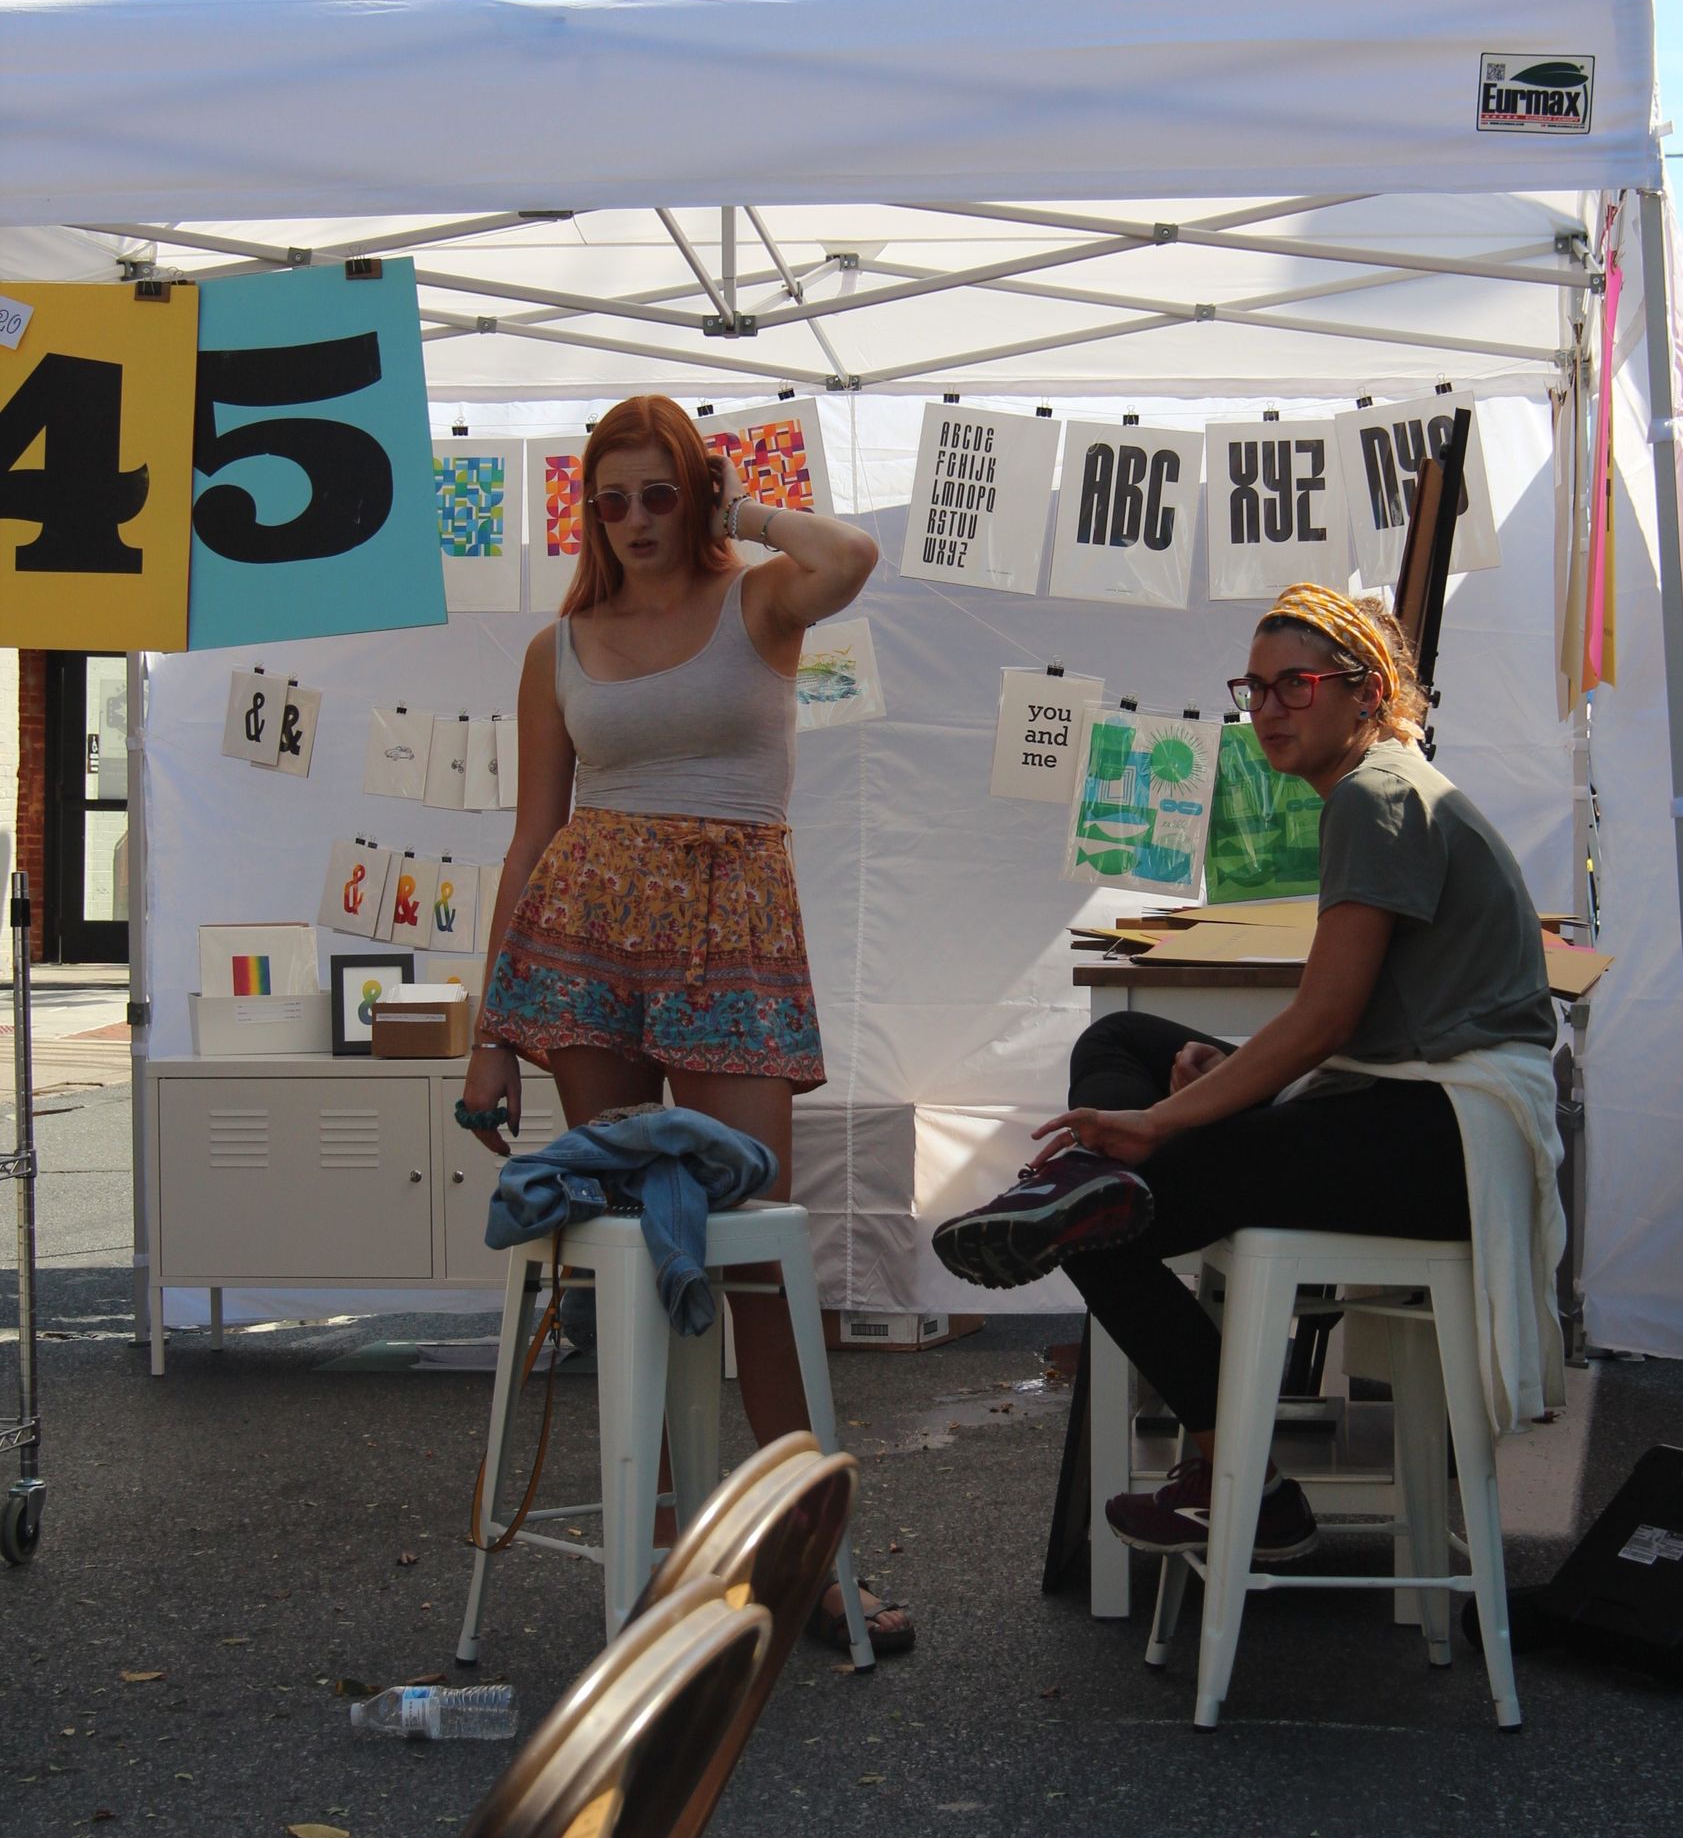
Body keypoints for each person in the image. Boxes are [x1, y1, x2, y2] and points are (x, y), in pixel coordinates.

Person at [933, 584, 1556, 1566]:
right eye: (1254, 689)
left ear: (1365, 691)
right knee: (1128, 1053)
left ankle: (1243, 1479)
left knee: (1101, 1228)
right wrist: (1206, 1086)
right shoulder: (1381, 785)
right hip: (1413, 1108)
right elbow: (1354, 1023)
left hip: (1446, 1139)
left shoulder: (1377, 795)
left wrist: (1171, 1120)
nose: (1266, 711)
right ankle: (1103, 1182)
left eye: (1294, 687)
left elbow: (1324, 1021)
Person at [459, 395, 912, 1656]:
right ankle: (669, 1555)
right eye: (613, 499)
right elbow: (530, 833)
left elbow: (848, 559)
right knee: (636, 1256)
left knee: (758, 1249)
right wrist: (493, 1033)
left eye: (662, 494)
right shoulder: (559, 645)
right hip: (585, 931)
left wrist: (740, 512)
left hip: (734, 924)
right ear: (587, 509)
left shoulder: (756, 603)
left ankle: (805, 1560)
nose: (636, 520)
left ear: (698, 495)